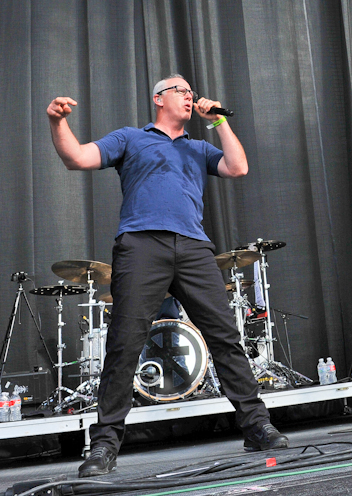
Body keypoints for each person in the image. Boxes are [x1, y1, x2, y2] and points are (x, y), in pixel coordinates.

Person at [47, 74, 288, 478]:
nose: (190, 95)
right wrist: (58, 122)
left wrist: (219, 121)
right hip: (142, 245)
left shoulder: (198, 147)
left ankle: (256, 425)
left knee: (226, 337)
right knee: (125, 344)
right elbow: (77, 158)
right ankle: (104, 443)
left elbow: (238, 167)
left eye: (192, 92)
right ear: (159, 99)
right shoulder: (131, 138)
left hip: (193, 247)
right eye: (181, 90)